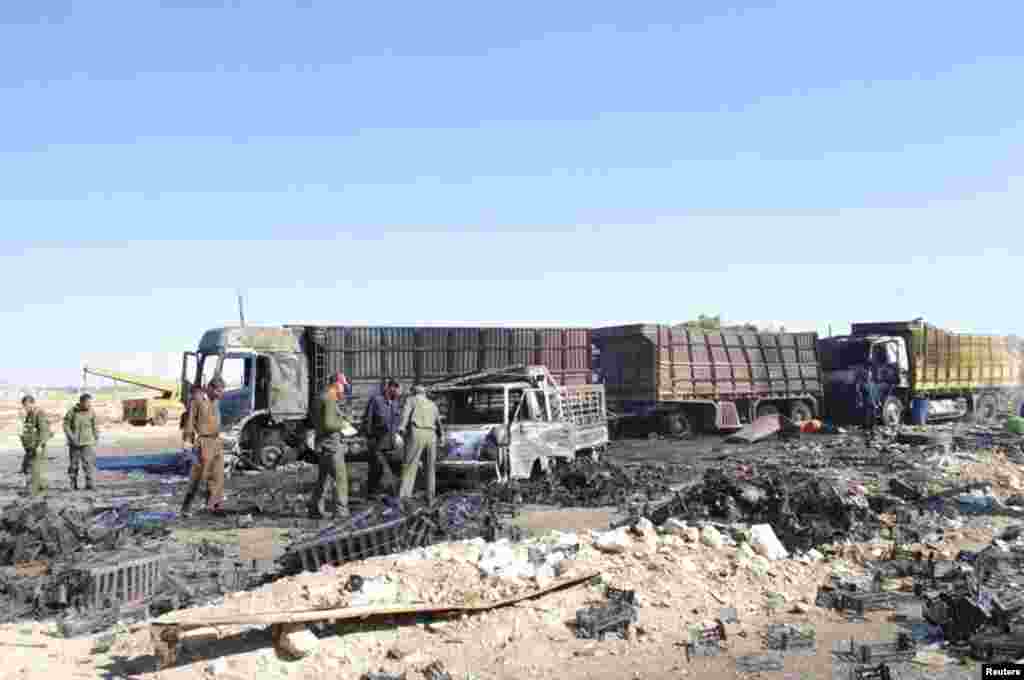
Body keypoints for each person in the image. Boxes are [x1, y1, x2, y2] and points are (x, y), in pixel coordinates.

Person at [181, 377, 226, 516]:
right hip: (203, 442)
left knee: (218, 475)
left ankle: (214, 506)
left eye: (222, 391)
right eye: (218, 391)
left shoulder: (216, 400)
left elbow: (215, 420)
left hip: (216, 441)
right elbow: (190, 422)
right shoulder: (197, 400)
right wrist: (187, 442)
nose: (221, 394)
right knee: (199, 476)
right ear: (210, 388)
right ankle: (186, 507)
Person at [308, 372, 351, 519]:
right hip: (332, 444)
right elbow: (329, 423)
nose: (343, 389)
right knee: (341, 478)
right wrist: (344, 424)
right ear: (336, 384)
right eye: (343, 385)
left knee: (324, 478)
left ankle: (315, 508)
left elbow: (319, 420)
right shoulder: (330, 398)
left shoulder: (320, 396)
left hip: (322, 443)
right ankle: (341, 511)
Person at [397, 384, 443, 503]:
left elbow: (405, 414)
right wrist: (441, 436)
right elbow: (438, 422)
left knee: (410, 465)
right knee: (430, 467)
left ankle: (404, 497)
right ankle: (430, 497)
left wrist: (401, 428)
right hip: (431, 435)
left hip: (417, 432)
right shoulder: (432, 404)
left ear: (414, 392)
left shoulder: (411, 400)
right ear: (424, 393)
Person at [363, 378, 403, 498]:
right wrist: (369, 436)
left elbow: (397, 421)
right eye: (398, 389)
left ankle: (392, 492)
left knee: (395, 467)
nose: (400, 392)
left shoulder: (395, 403)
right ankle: (371, 492)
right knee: (376, 467)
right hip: (377, 440)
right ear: (391, 388)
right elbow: (368, 419)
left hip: (391, 442)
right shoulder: (376, 400)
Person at [63, 393, 99, 491]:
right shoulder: (72, 411)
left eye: (90, 402)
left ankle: (89, 484)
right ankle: (73, 484)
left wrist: (96, 437)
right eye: (87, 403)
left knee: (88, 464)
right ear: (81, 402)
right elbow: (66, 425)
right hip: (74, 443)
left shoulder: (91, 412)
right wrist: (71, 437)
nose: (89, 404)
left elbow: (95, 425)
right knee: (73, 465)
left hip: (87, 442)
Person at [20, 396, 52, 497]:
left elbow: (44, 431)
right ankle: (40, 488)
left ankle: (34, 492)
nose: (25, 408)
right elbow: (28, 430)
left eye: (27, 405)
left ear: (32, 403)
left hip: (38, 447)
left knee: (35, 470)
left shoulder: (39, 414)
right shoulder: (29, 415)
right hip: (30, 447)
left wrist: (40, 445)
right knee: (27, 468)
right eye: (24, 406)